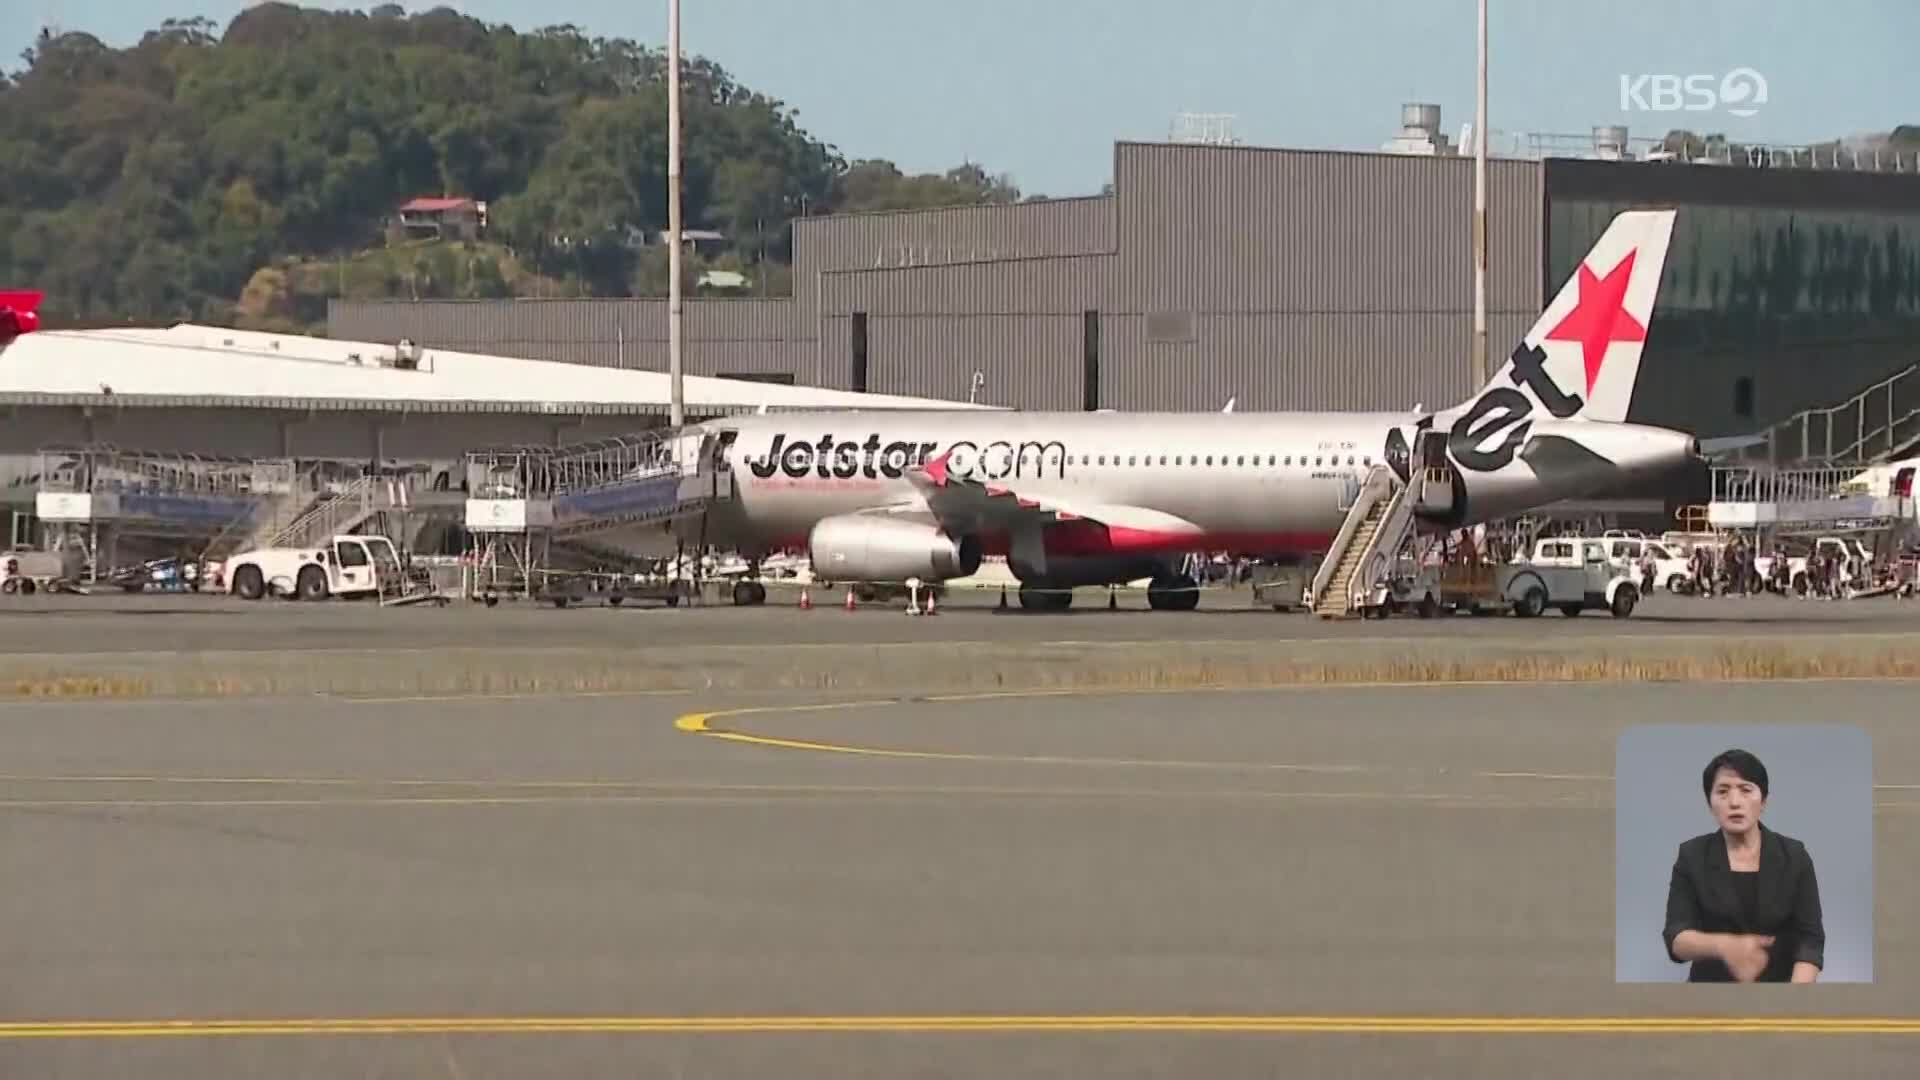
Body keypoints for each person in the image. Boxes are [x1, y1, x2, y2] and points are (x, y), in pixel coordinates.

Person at [1662, 749, 1825, 982]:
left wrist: (1793, 1000)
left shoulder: (1794, 856)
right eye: (1723, 791)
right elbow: (1676, 937)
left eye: (1746, 790)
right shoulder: (1692, 855)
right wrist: (1724, 945)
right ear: (1710, 803)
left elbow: (1811, 940)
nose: (1735, 802)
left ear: (1764, 801)